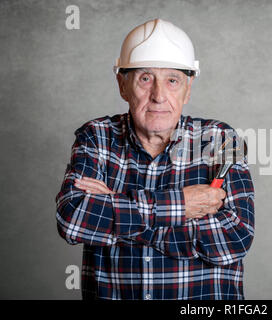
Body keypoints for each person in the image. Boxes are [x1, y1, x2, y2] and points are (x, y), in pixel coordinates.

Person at [55, 18, 255, 300]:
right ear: (122, 85)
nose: (159, 96)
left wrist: (118, 208)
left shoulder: (220, 139)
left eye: (172, 80)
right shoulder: (97, 135)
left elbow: (233, 239)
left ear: (188, 88)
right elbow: (73, 218)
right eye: (145, 78)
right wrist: (183, 205)